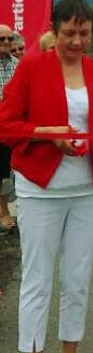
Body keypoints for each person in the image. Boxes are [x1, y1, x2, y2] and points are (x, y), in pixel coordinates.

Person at [0, 0, 93, 353]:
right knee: (38, 279)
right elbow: (6, 125)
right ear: (54, 31)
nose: (76, 40)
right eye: (68, 33)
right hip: (39, 187)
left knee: (78, 277)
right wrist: (46, 133)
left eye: (83, 33)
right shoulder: (32, 66)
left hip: (87, 188)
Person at [0, 24, 19, 234]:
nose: (6, 42)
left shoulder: (18, 66)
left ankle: (3, 210)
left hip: (7, 130)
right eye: (1, 39)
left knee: (5, 173)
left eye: (9, 39)